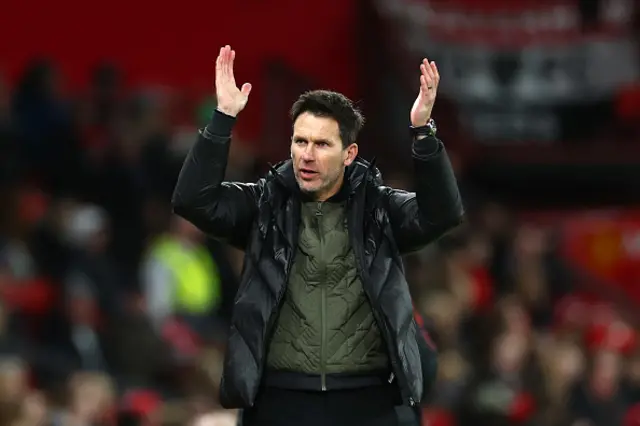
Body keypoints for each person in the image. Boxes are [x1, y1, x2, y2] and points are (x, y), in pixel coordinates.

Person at [172, 45, 464, 426]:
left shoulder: (379, 208)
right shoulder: (264, 204)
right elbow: (193, 201)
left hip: (368, 402)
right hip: (280, 401)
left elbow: (442, 214)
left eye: (322, 144)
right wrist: (222, 119)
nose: (307, 155)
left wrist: (423, 133)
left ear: (349, 153)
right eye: (300, 141)